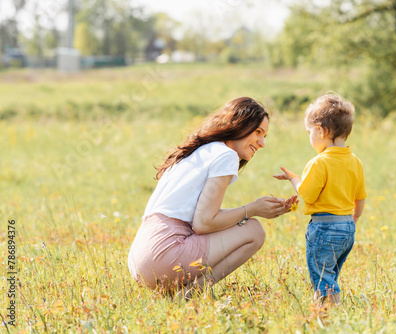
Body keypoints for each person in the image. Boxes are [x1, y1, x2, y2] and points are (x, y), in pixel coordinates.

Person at [128, 97, 298, 294]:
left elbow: (201, 215)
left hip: (139, 258)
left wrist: (258, 209)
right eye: (258, 132)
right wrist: (252, 210)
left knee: (244, 223)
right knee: (254, 231)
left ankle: (177, 292)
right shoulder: (226, 155)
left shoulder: (201, 150)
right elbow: (204, 223)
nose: (262, 143)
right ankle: (191, 294)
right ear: (239, 124)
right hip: (163, 255)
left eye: (264, 136)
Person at [273, 93, 366, 305]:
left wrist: (293, 178)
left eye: (309, 132)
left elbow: (307, 193)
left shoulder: (319, 162)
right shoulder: (355, 162)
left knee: (323, 277)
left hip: (324, 228)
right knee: (330, 275)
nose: (309, 138)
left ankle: (329, 315)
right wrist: (354, 220)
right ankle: (328, 309)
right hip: (347, 228)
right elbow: (360, 198)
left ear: (320, 130)